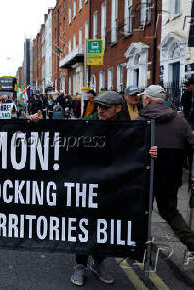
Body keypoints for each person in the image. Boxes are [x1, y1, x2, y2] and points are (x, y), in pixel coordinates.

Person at [71, 91, 158, 286]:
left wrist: (151, 151)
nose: (100, 110)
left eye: (105, 107)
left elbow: (138, 150)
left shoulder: (132, 126)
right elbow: (66, 140)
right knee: (85, 223)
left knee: (106, 225)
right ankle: (80, 265)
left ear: (118, 108)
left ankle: (98, 262)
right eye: (99, 106)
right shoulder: (89, 122)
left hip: (113, 185)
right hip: (89, 183)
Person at [137, 85, 194, 253]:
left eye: (143, 98)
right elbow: (191, 146)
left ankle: (135, 245)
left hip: (144, 177)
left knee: (138, 210)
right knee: (170, 211)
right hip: (171, 177)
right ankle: (190, 241)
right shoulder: (180, 121)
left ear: (147, 99)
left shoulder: (140, 122)